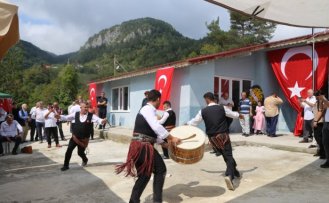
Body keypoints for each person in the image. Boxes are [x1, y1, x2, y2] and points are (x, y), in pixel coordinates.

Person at [116, 90, 181, 203]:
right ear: (158, 99)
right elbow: (156, 126)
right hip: (143, 146)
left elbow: (152, 132)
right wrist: (171, 138)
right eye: (159, 100)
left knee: (144, 175)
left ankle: (134, 200)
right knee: (160, 170)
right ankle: (157, 201)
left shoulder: (147, 110)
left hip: (140, 146)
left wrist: (164, 143)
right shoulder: (147, 109)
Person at [187, 92, 243, 190]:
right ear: (214, 98)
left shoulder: (203, 111)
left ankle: (235, 171)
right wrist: (239, 115)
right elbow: (233, 114)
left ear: (207, 99)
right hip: (223, 136)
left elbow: (194, 122)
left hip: (213, 139)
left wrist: (186, 124)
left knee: (226, 155)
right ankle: (229, 175)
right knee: (228, 155)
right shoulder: (222, 108)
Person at [59, 102, 107, 171]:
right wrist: (59, 117)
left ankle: (85, 159)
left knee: (80, 153)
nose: (86, 108)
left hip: (84, 139)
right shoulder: (75, 114)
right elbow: (66, 117)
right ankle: (66, 165)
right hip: (75, 138)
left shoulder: (91, 116)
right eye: (85, 107)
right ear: (81, 108)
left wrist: (103, 121)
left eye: (87, 107)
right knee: (69, 150)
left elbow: (98, 120)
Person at [313, 90, 326, 158]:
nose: (315, 97)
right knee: (317, 137)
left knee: (319, 138)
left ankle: (323, 153)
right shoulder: (317, 102)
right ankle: (320, 151)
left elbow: (320, 112)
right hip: (316, 121)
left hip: (320, 122)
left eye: (317, 96)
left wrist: (315, 121)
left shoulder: (322, 102)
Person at [318, 95, 329, 168]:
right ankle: (328, 160)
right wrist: (321, 102)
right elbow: (322, 108)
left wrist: (324, 99)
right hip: (326, 122)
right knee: (326, 142)